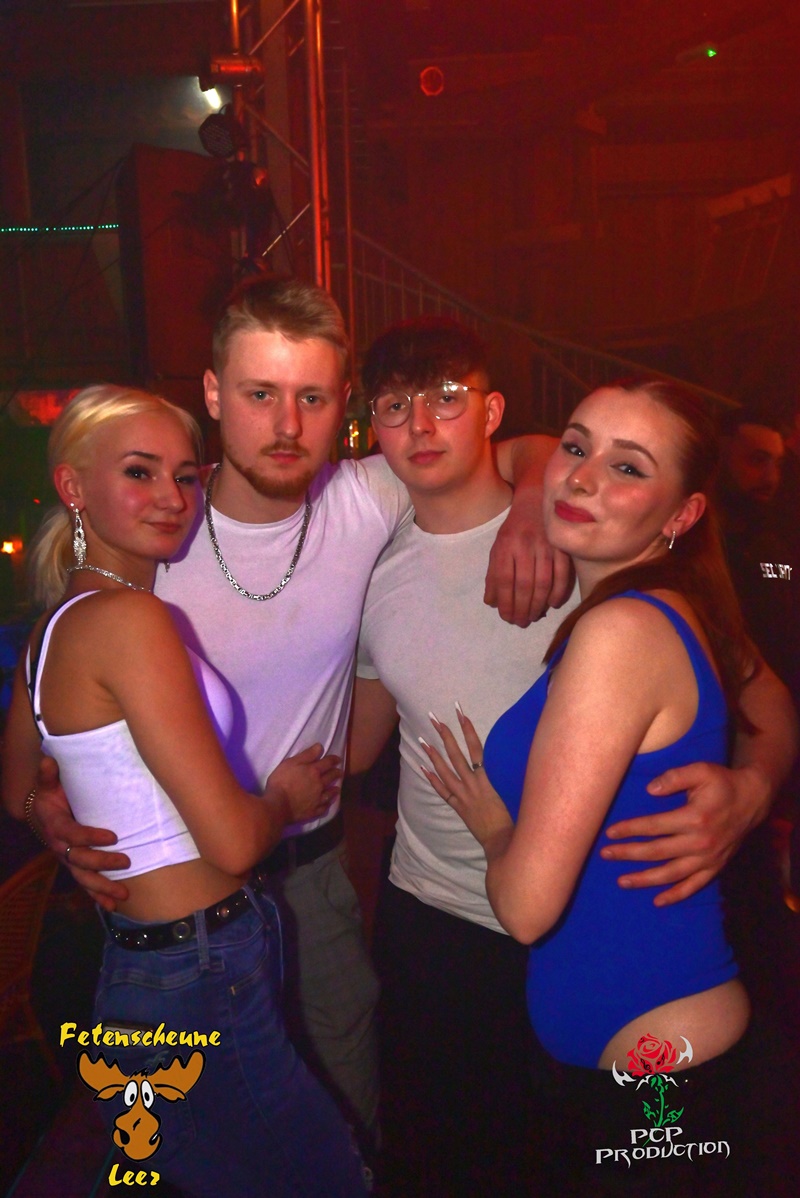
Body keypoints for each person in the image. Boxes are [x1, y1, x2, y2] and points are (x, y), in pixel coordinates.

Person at [22, 276, 570, 1151]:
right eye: (259, 394)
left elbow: (525, 446)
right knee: (200, 1138)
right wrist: (44, 803)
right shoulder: (157, 523)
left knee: (346, 1105)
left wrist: (533, 509)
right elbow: (43, 705)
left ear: (342, 404)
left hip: (310, 875)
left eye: (311, 398)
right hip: (171, 901)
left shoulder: (368, 497)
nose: (286, 425)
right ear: (213, 394)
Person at [350, 327, 796, 1196]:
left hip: (638, 1031)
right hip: (483, 957)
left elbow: (768, 703)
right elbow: (359, 743)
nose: (585, 478)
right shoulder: (628, 590)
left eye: (627, 467)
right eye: (578, 450)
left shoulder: (619, 615)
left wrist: (751, 790)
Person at [1, 385, 367, 1198]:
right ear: (73, 486)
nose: (172, 496)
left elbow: (16, 784)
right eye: (140, 472)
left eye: (187, 475)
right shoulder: (130, 623)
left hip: (153, 961)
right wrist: (286, 796)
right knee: (328, 1176)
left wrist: (45, 817)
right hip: (199, 965)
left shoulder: (59, 624)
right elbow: (233, 842)